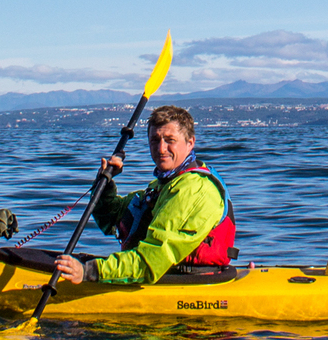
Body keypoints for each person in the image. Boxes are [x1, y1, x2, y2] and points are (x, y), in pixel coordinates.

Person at [54, 104, 235, 285]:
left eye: (169, 140)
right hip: (164, 274)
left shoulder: (193, 190)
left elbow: (151, 260)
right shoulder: (164, 185)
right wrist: (104, 185)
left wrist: (88, 271)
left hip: (188, 281)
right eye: (155, 140)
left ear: (190, 142)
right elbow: (111, 220)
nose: (161, 148)